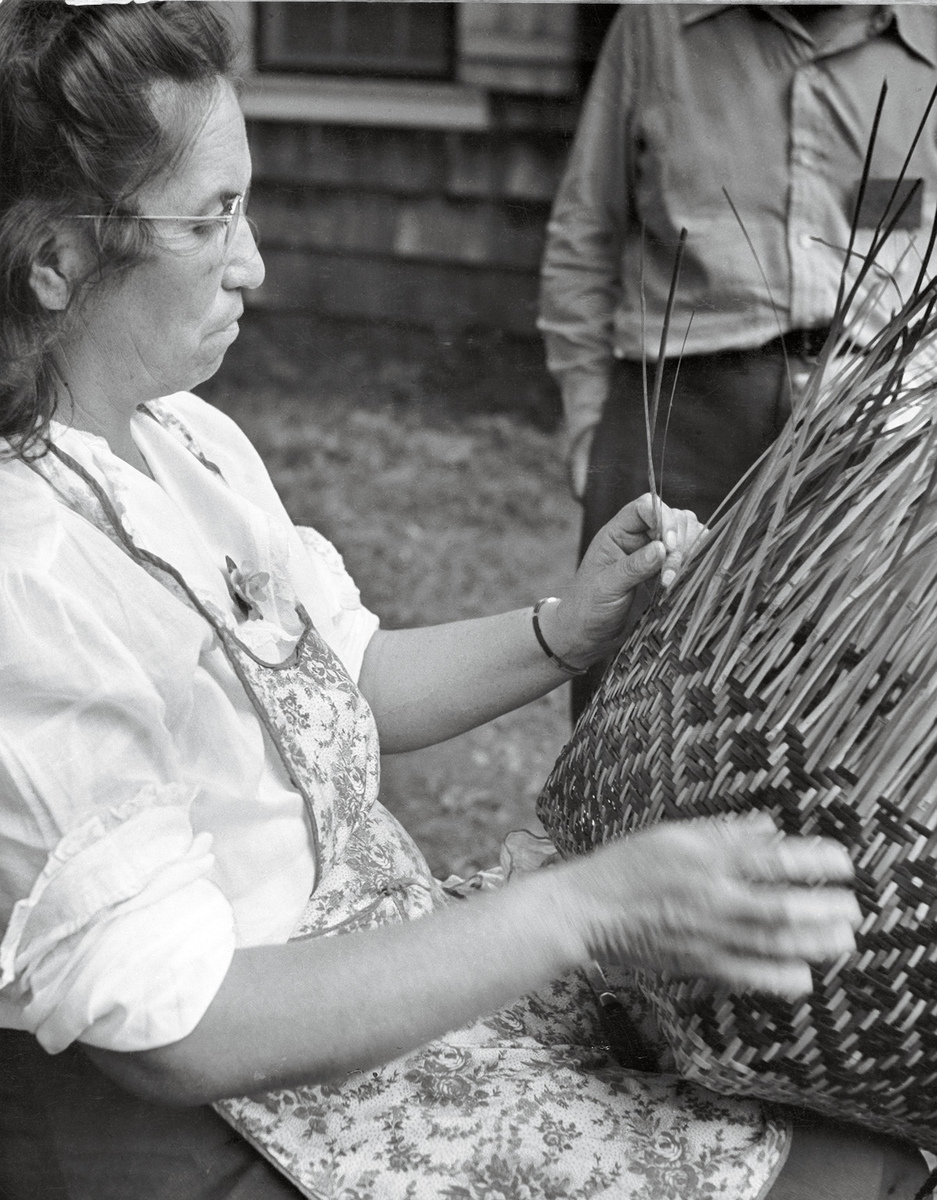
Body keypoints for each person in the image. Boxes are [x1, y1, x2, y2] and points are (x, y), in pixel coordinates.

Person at [0, 5, 926, 1200]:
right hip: (253, 1099)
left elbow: (350, 680)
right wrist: (580, 913)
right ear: (58, 261)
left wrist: (568, 628)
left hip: (369, 979)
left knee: (855, 1148)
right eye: (210, 215)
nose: (254, 262)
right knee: (846, 1176)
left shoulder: (191, 444)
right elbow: (179, 1029)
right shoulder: (30, 577)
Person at [539, 3, 937, 718]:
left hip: (884, 415)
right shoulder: (654, 27)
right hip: (679, 413)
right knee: (633, 697)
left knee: (851, 705)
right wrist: (585, 414)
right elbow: (585, 228)